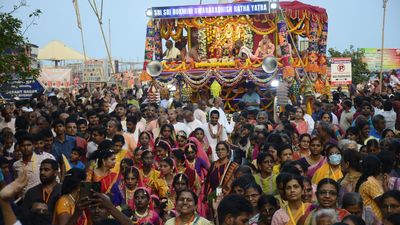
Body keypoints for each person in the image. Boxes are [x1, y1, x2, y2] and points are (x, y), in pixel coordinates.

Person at [355, 155, 386, 223]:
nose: (381, 167)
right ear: (376, 167)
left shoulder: (369, 180)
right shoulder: (370, 182)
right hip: (373, 220)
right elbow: (382, 202)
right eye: (379, 165)